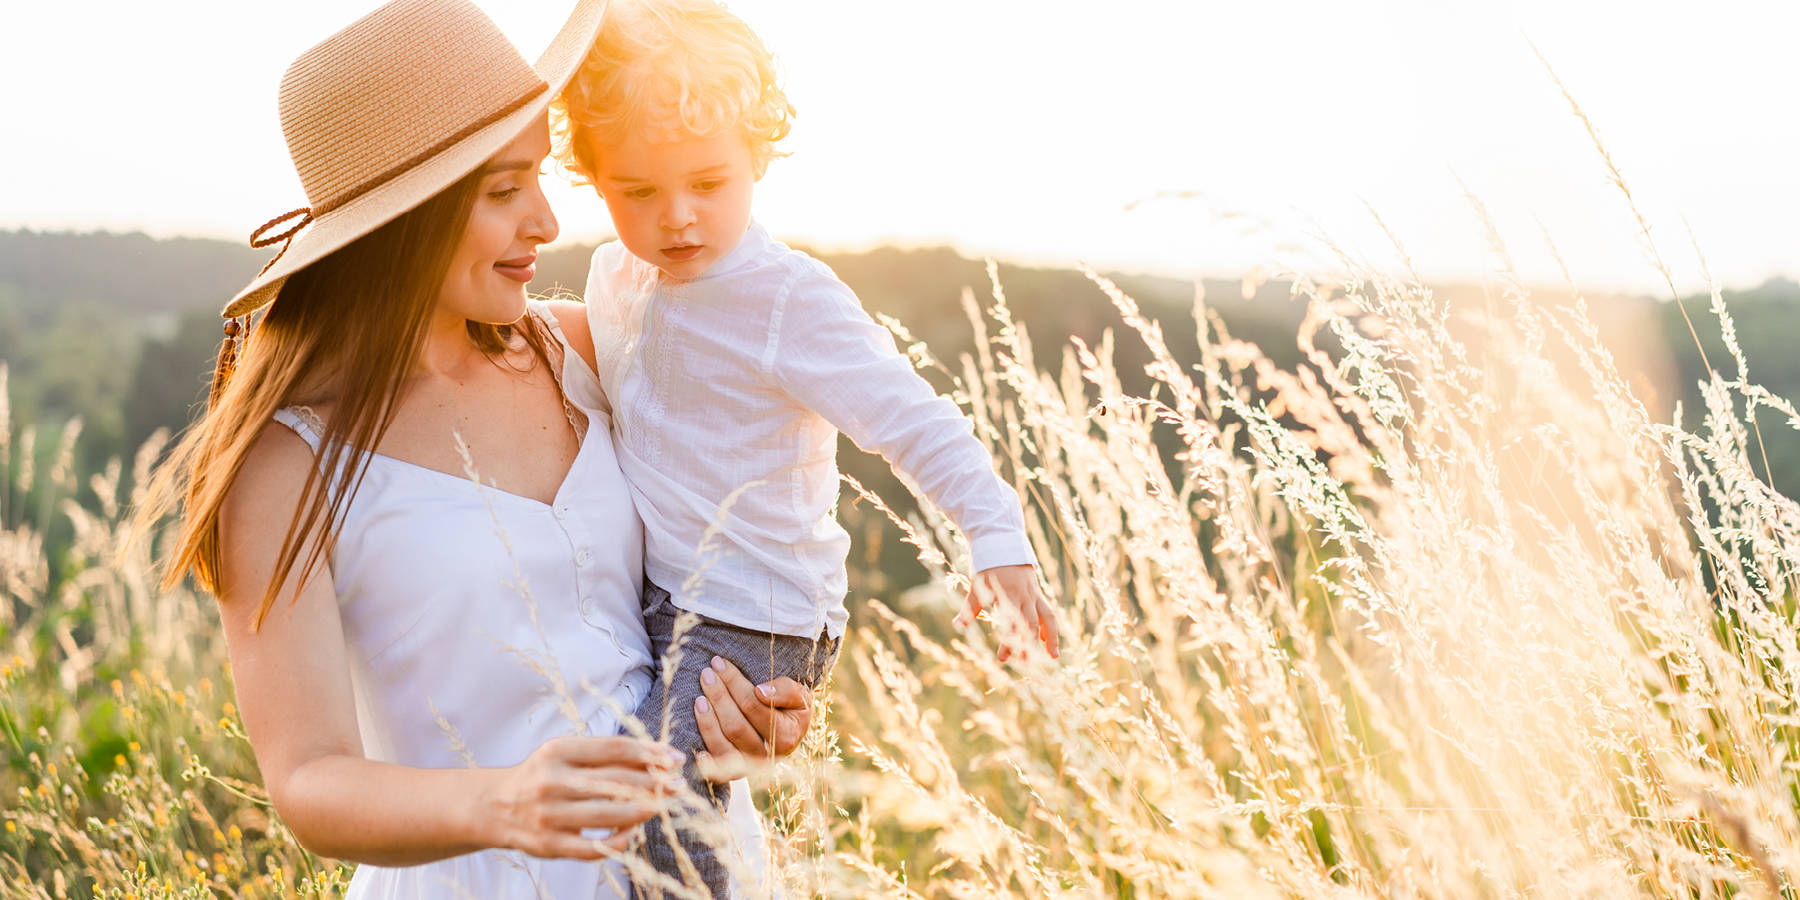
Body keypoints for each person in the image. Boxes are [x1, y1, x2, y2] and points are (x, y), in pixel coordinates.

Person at [135, 1, 813, 895]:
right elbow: (307, 781)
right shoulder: (286, 462)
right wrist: (503, 801)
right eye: (504, 191)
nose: (547, 221)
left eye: (538, 176)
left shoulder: (590, 351)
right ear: (407, 218)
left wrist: (754, 702)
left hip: (696, 876)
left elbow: (732, 544)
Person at [551, 1, 1062, 894]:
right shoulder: (612, 276)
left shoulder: (787, 299)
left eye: (708, 182)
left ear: (757, 154)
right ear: (593, 178)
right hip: (661, 592)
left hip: (752, 609)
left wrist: (995, 536)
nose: (677, 217)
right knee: (634, 779)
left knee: (661, 807)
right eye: (638, 192)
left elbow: (912, 418)